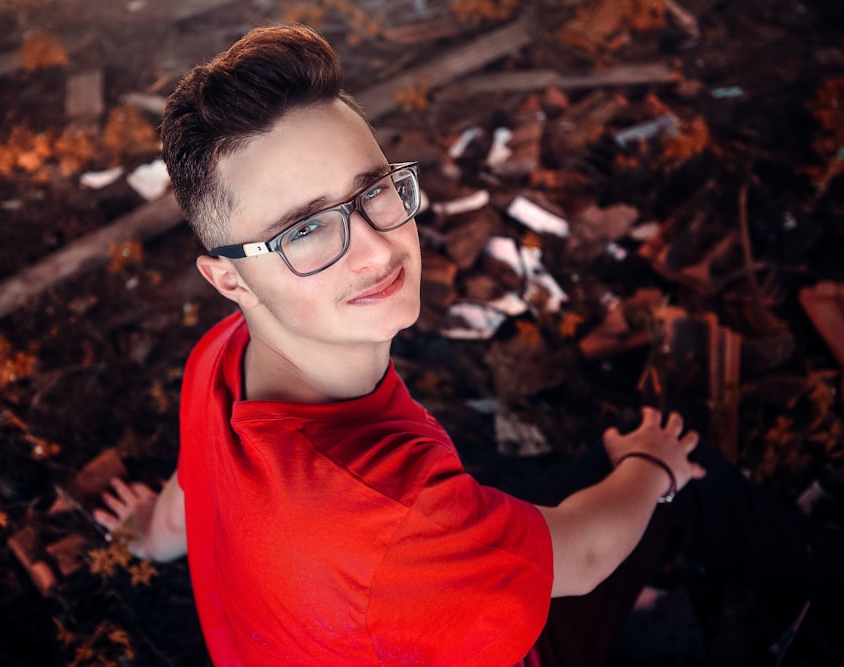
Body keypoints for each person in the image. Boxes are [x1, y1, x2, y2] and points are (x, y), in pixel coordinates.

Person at [93, 24, 841, 667]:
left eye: (373, 190)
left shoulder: (221, 356)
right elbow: (577, 559)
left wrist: (154, 536)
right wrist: (652, 467)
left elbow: (194, 481)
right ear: (228, 279)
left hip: (364, 603)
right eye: (305, 229)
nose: (376, 249)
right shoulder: (395, 509)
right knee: (683, 459)